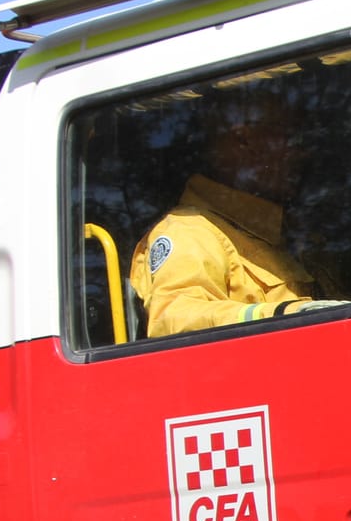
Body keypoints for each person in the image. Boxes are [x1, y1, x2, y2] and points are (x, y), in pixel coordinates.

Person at [129, 94, 329, 338]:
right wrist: (287, 314)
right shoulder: (189, 231)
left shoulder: (282, 233)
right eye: (291, 138)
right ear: (244, 143)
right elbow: (174, 319)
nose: (302, 154)